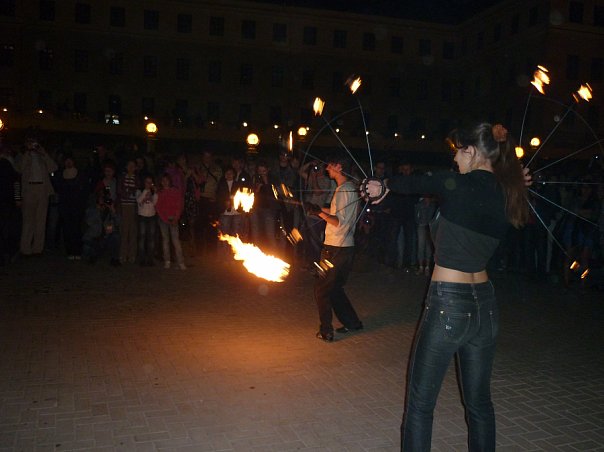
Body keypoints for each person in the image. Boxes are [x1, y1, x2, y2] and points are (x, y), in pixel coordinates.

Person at [364, 123, 530, 451]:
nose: (454, 158)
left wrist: (381, 185)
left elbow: (414, 183)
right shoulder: (509, 192)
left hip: (449, 304)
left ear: (472, 151)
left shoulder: (458, 184)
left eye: (458, 151)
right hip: (486, 306)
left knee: (420, 406)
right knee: (480, 406)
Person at [305, 155, 363, 342]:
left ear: (339, 166)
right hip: (345, 247)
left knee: (322, 290)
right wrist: (318, 208)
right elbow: (337, 213)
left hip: (335, 248)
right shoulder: (348, 188)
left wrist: (319, 213)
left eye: (329, 165)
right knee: (335, 287)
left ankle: (326, 331)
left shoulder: (344, 189)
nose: (326, 168)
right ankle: (352, 322)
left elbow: (338, 222)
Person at [16, 136, 58, 256]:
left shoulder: (42, 156)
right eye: (30, 143)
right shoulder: (23, 156)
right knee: (28, 220)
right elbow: (19, 169)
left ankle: (38, 249)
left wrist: (43, 153)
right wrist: (27, 153)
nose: (33, 145)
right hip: (29, 189)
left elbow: (54, 167)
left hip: (42, 189)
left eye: (34, 143)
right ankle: (25, 248)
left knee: (41, 220)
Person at [55, 154, 88, 260]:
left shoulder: (80, 174)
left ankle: (77, 251)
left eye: (70, 160)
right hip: (65, 206)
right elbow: (58, 188)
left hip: (77, 206)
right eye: (66, 161)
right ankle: (69, 251)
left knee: (77, 228)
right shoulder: (60, 174)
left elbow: (84, 190)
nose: (68, 163)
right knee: (67, 229)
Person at [82, 191, 121, 266]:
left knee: (116, 236)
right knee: (88, 244)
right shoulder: (91, 210)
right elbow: (89, 222)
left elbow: (118, 222)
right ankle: (91, 256)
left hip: (105, 237)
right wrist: (98, 211)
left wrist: (113, 210)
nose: (103, 202)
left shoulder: (108, 211)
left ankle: (114, 259)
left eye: (104, 200)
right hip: (94, 237)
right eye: (101, 199)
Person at [156, 173, 186, 270]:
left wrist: (176, 218)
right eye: (163, 181)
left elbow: (179, 205)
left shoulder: (175, 192)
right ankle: (167, 260)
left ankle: (180, 261)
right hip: (163, 219)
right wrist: (165, 218)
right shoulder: (160, 193)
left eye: (166, 180)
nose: (165, 182)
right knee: (165, 240)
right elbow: (158, 207)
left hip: (174, 218)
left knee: (175, 240)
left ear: (169, 181)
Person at [136, 175, 158, 266]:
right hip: (142, 216)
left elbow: (155, 203)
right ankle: (142, 259)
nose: (149, 184)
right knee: (142, 238)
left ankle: (150, 259)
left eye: (150, 182)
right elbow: (138, 200)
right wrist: (145, 191)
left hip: (151, 217)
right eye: (147, 182)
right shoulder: (139, 191)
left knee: (151, 238)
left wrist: (154, 193)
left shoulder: (153, 192)